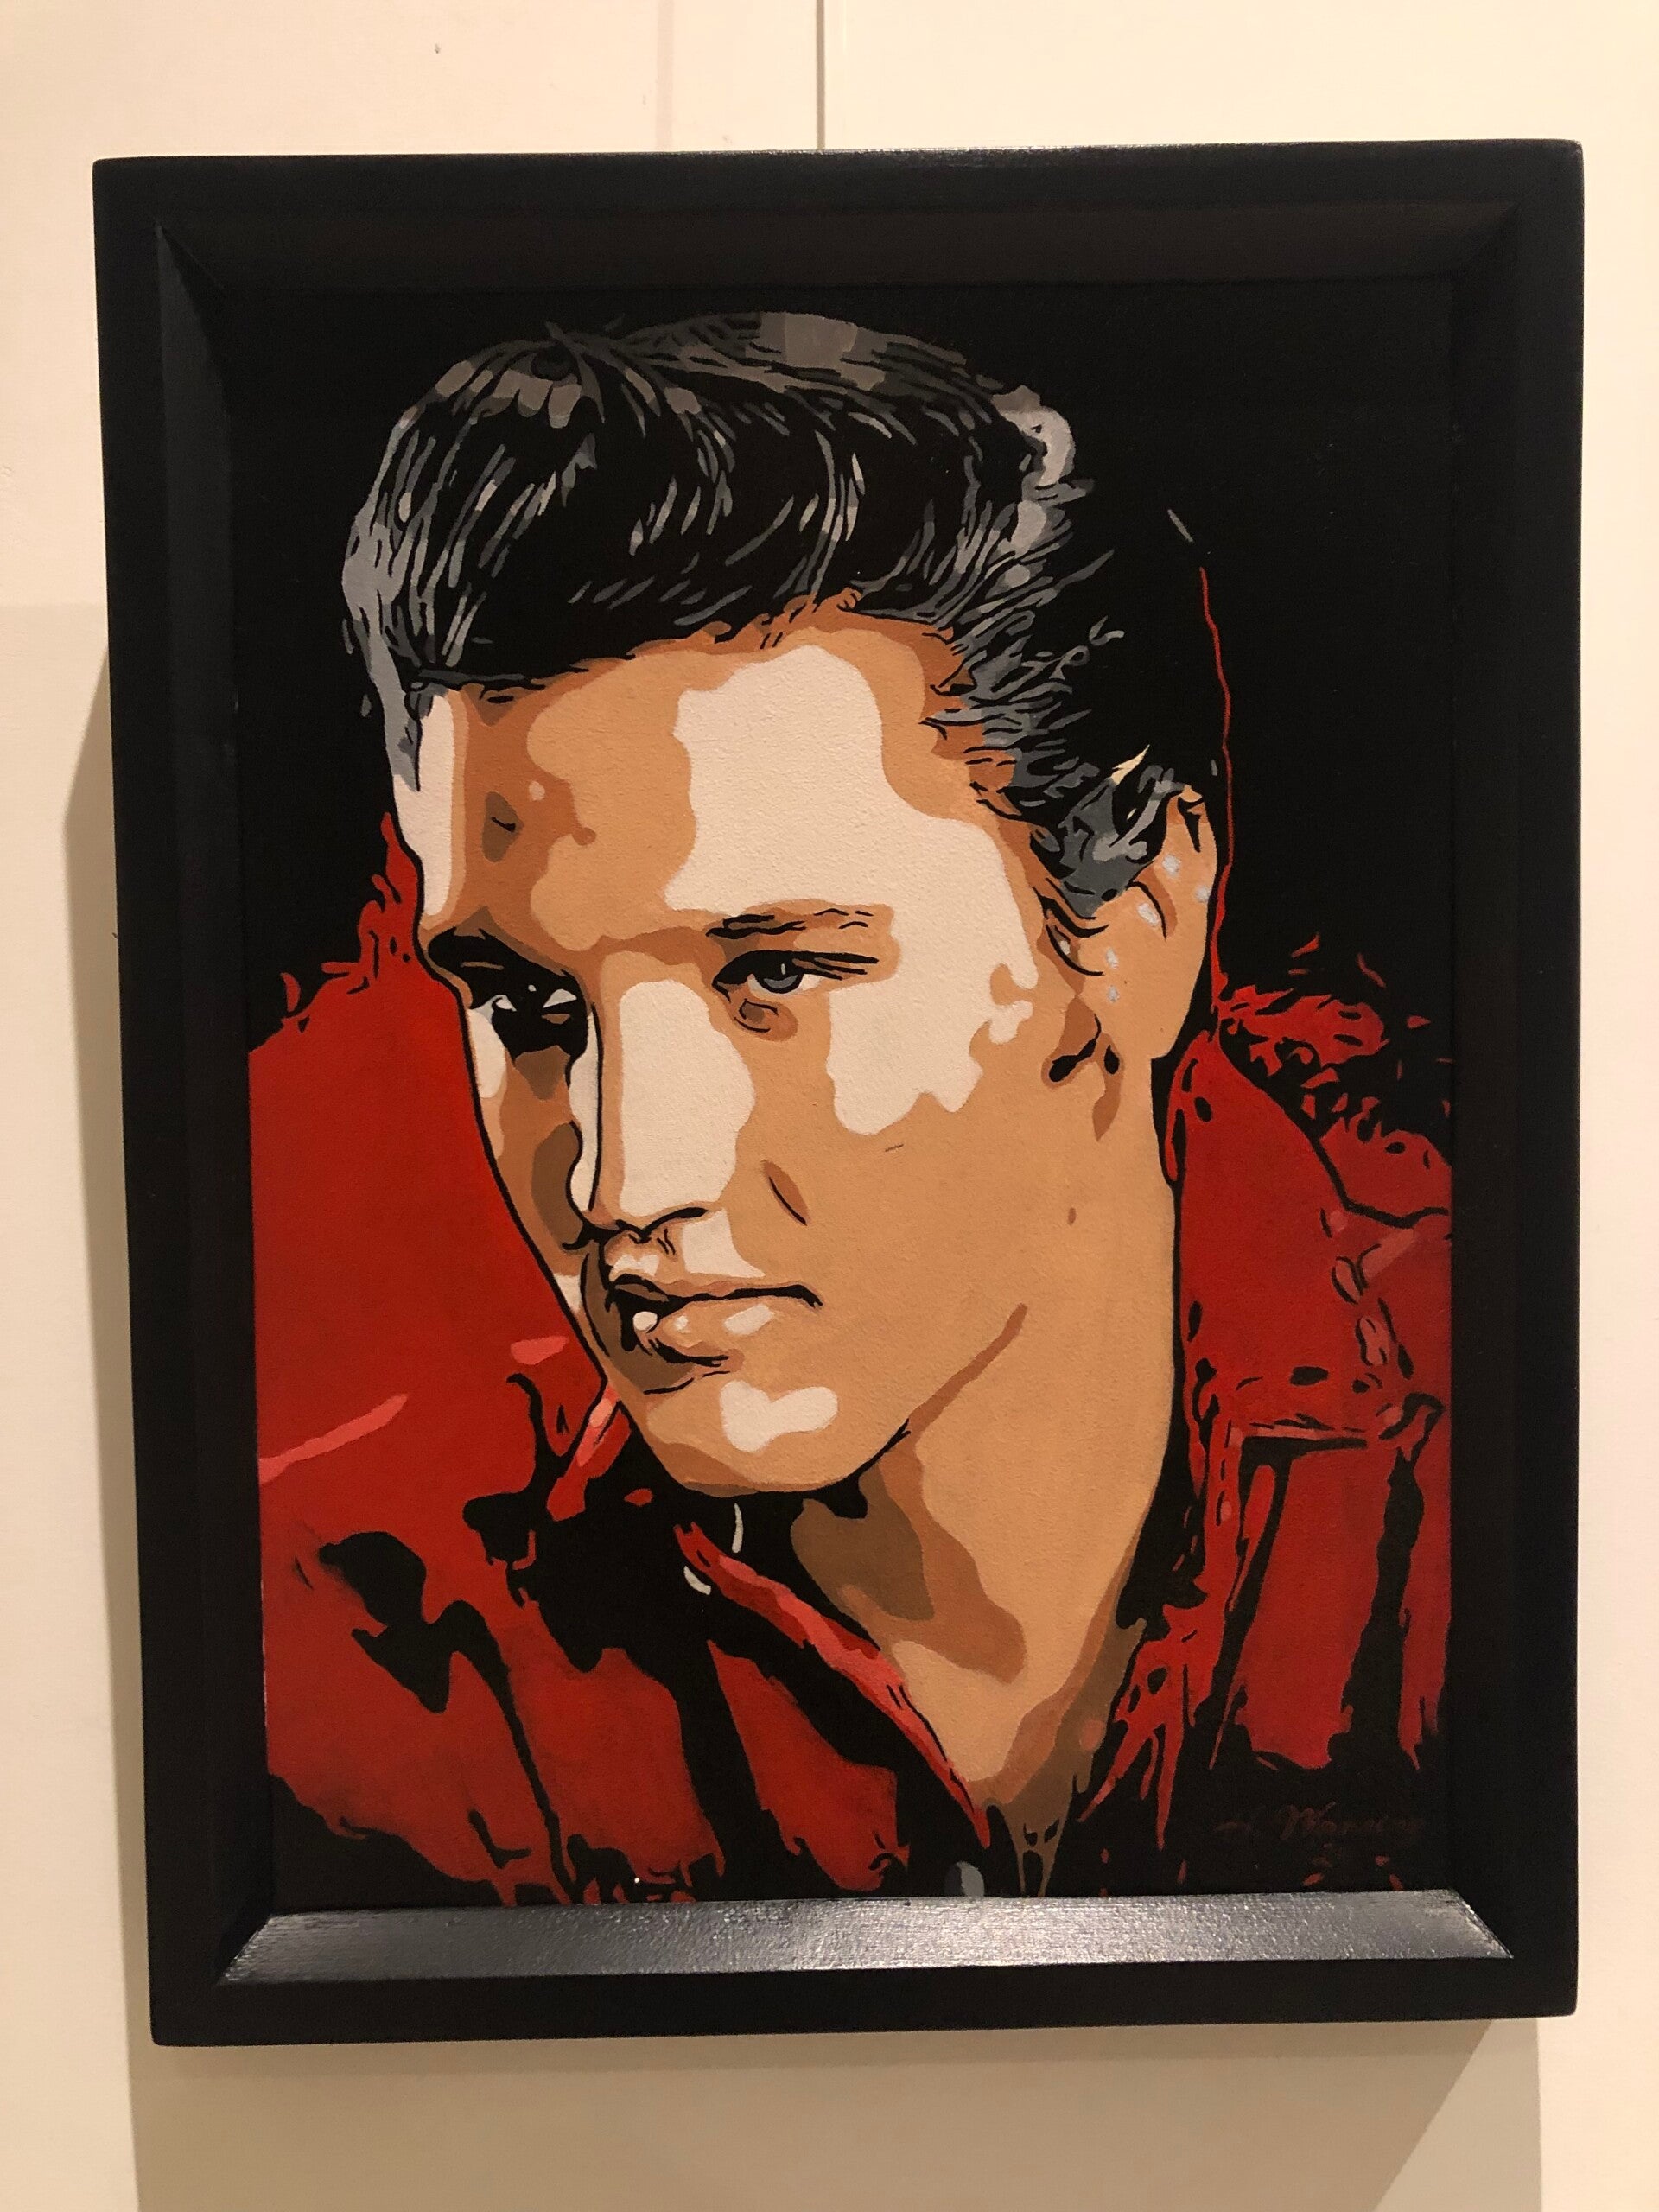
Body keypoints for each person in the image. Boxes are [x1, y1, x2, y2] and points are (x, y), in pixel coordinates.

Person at [256, 314, 1450, 1905]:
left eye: (777, 975)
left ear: (1137, 924)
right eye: (530, 1009)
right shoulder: (345, 1638)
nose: (625, 1179)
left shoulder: (1516, 1461)